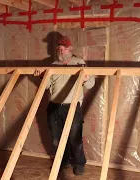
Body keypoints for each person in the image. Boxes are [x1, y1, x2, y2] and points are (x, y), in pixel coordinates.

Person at [34, 36, 95, 175]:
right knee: (56, 139)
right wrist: (41, 76)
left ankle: (79, 163)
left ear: (70, 48)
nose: (62, 51)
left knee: (75, 138)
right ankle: (63, 161)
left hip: (72, 107)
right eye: (59, 49)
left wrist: (85, 77)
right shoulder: (53, 65)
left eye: (65, 48)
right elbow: (47, 86)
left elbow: (91, 84)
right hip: (54, 106)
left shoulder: (80, 63)